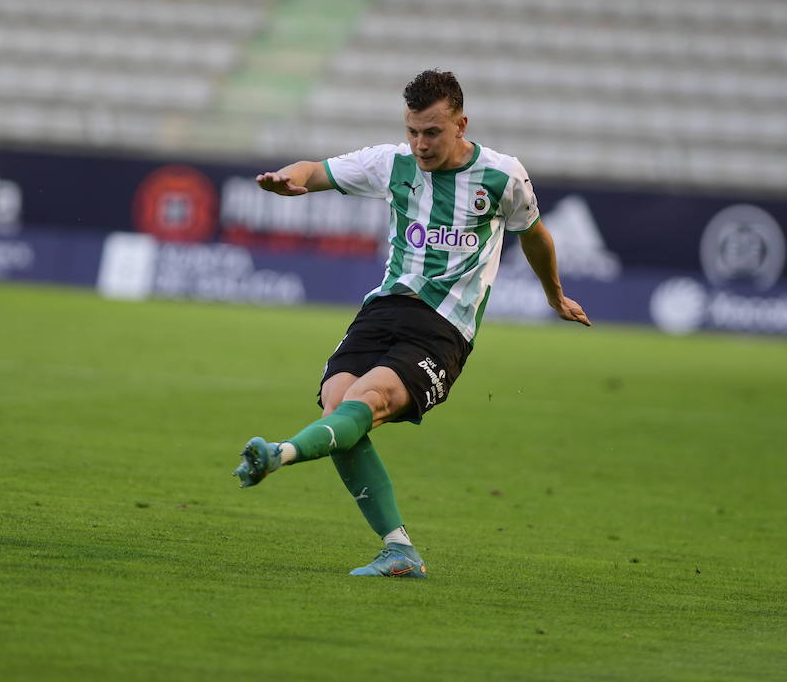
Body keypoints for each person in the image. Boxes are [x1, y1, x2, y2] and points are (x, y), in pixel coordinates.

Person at [233, 69, 590, 578]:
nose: (420, 144)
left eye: (433, 132)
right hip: (384, 306)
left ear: (461, 124)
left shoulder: (503, 175)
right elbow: (315, 170)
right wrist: (288, 179)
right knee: (336, 406)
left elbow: (535, 236)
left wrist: (554, 295)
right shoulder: (391, 163)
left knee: (363, 404)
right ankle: (399, 550)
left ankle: (280, 454)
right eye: (413, 131)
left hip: (444, 326)